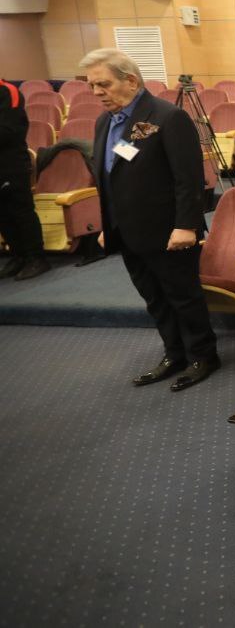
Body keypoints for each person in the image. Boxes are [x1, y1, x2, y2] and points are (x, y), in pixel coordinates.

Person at [81, 49, 218, 390]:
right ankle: (174, 354)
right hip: (127, 230)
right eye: (92, 85)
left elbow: (189, 179)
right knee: (154, 298)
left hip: (169, 229)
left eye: (103, 84)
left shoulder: (168, 116)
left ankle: (202, 355)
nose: (97, 92)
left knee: (183, 296)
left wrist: (186, 225)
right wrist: (106, 224)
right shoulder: (104, 122)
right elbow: (109, 178)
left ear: (131, 80)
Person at [0, 78, 49, 281]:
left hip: (10, 163)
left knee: (21, 211)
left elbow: (9, 130)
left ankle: (36, 258)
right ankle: (18, 256)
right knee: (2, 214)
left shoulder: (7, 91)